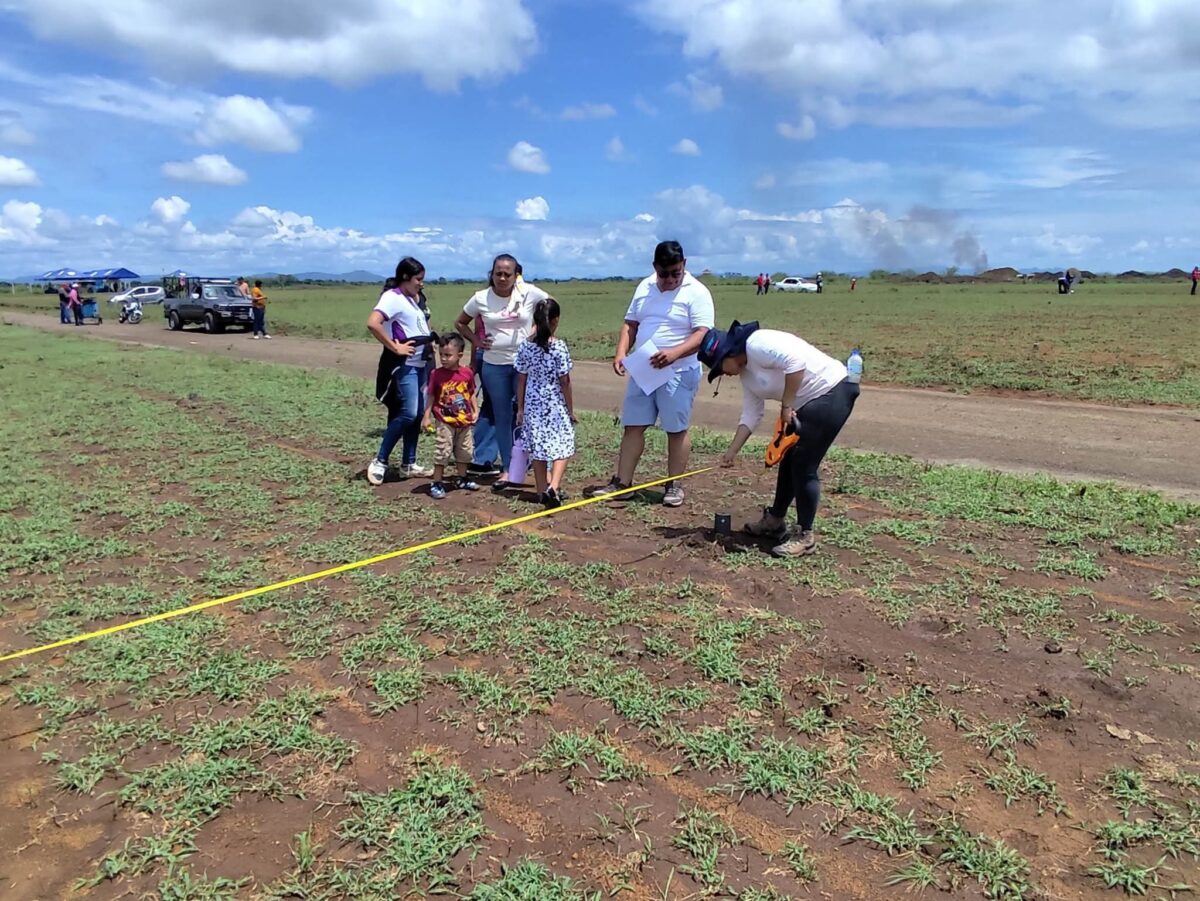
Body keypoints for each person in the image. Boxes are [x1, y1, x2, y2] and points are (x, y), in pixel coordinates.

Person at [701, 321, 859, 557]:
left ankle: (805, 536)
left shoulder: (757, 343)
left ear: (729, 352)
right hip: (808, 401)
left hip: (832, 389)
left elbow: (796, 364)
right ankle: (775, 521)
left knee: (803, 464)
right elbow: (751, 415)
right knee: (789, 457)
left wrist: (786, 405)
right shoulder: (747, 376)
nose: (724, 373)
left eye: (720, 368)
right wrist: (731, 452)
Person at [590, 240, 714, 507]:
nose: (669, 279)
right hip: (644, 369)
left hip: (678, 371)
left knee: (676, 428)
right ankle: (622, 483)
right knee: (633, 425)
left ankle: (674, 485)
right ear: (654, 267)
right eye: (664, 273)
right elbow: (630, 323)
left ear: (684, 265)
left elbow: (702, 334)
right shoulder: (644, 286)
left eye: (675, 273)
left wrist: (674, 352)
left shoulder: (698, 292)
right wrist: (621, 352)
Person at [454, 254, 550, 490]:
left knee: (527, 415)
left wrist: (537, 332)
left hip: (525, 365)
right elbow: (460, 322)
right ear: (492, 274)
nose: (503, 277)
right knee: (502, 417)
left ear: (516, 274)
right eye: (498, 273)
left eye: (508, 273)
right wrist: (476, 340)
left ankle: (539, 467)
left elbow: (551, 309)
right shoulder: (481, 298)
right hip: (494, 365)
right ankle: (509, 469)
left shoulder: (529, 292)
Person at [366, 257, 435, 486]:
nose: (421, 284)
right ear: (405, 278)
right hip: (404, 365)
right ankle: (380, 460)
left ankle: (409, 463)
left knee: (415, 415)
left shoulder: (412, 299)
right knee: (407, 413)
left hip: (420, 364)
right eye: (418, 279)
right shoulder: (392, 297)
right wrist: (395, 346)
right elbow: (373, 323)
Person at [515, 298, 576, 508]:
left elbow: (521, 379)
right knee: (564, 443)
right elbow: (565, 381)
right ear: (555, 320)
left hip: (533, 404)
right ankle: (554, 486)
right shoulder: (558, 347)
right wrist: (571, 410)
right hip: (555, 404)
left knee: (537, 447)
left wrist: (521, 408)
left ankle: (541, 490)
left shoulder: (525, 346)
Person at [422, 334, 481, 499]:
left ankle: (462, 478)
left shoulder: (467, 374)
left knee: (465, 451)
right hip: (444, 421)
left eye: (448, 355)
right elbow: (431, 396)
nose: (444, 359)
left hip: (464, 420)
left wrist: (475, 411)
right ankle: (437, 482)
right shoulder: (436, 374)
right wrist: (426, 416)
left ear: (460, 355)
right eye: (441, 354)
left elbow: (471, 393)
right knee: (443, 451)